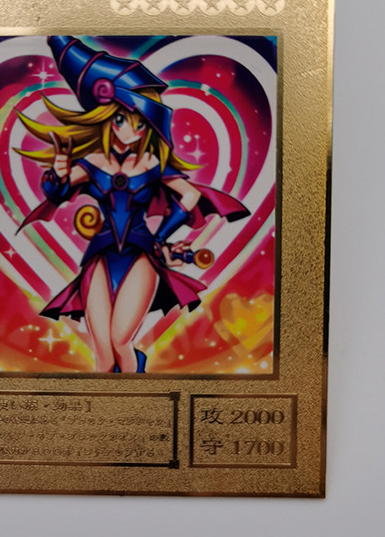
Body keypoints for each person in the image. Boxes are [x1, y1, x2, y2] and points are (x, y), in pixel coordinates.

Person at [16, 36, 249, 373]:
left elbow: (191, 195)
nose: (132, 130)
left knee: (121, 342)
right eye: (122, 120)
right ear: (106, 117)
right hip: (100, 256)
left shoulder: (151, 163)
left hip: (140, 255)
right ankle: (100, 407)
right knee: (103, 354)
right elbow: (58, 193)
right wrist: (59, 174)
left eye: (141, 124)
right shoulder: (94, 162)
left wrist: (161, 236)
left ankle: (137, 391)